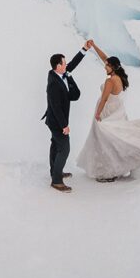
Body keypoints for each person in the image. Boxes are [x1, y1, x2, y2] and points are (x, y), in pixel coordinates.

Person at [77, 39, 140, 182]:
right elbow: (104, 58)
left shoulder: (110, 81)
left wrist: (97, 114)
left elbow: (104, 99)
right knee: (116, 140)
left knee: (104, 142)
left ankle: (108, 172)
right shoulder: (119, 76)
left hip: (107, 113)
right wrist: (93, 46)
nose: (104, 67)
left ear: (112, 67)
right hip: (118, 112)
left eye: (106, 66)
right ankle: (119, 167)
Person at [43, 41, 92, 193]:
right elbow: (56, 107)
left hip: (55, 120)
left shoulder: (60, 73)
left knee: (56, 145)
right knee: (64, 148)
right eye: (64, 63)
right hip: (56, 121)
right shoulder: (53, 84)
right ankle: (57, 181)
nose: (66, 65)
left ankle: (54, 172)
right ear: (58, 66)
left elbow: (73, 64)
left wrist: (84, 49)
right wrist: (64, 125)